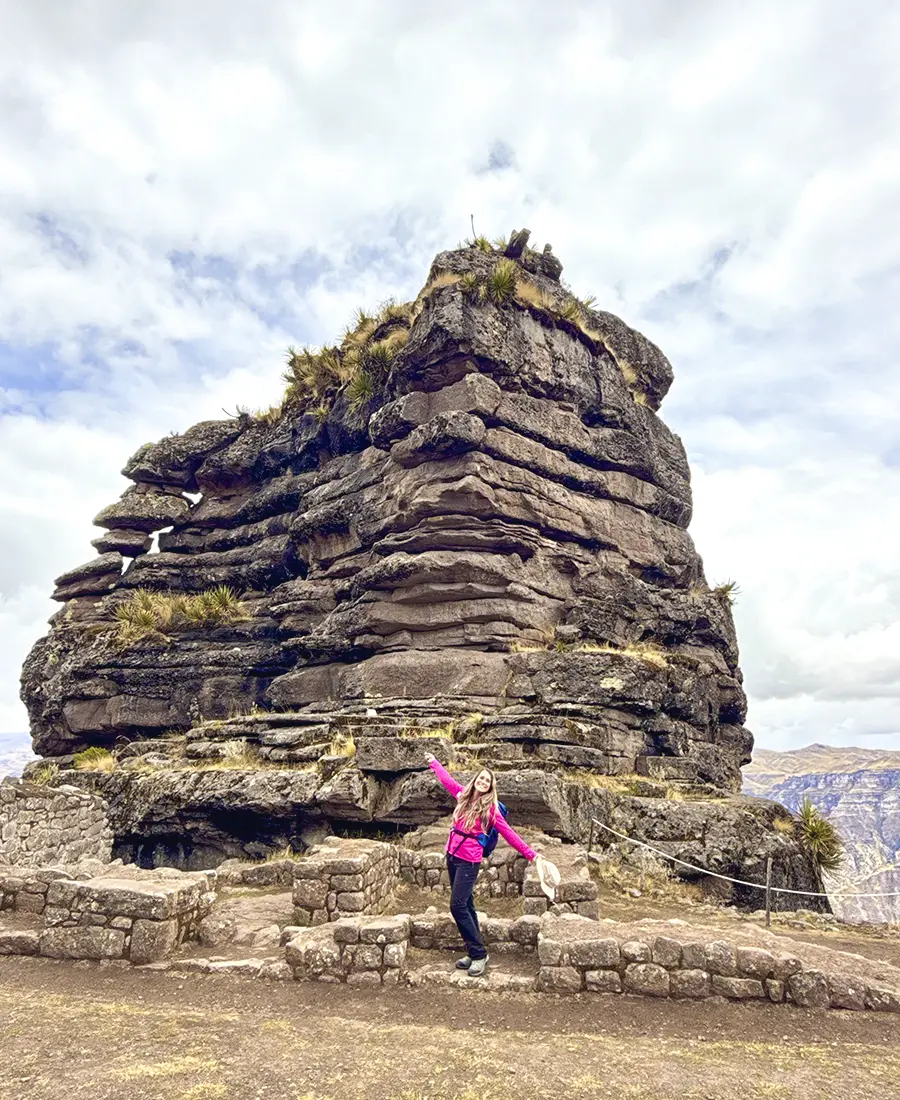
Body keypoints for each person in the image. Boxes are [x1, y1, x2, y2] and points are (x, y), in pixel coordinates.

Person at [425, 752, 540, 977]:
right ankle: (473, 950)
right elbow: (447, 780)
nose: (483, 782)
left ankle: (479, 954)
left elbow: (509, 833)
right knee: (467, 905)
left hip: (469, 860)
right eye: (481, 778)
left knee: (457, 906)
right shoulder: (462, 795)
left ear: (490, 787)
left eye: (487, 781)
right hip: (452, 855)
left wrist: (531, 854)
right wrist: (434, 763)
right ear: (475, 780)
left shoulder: (491, 810)